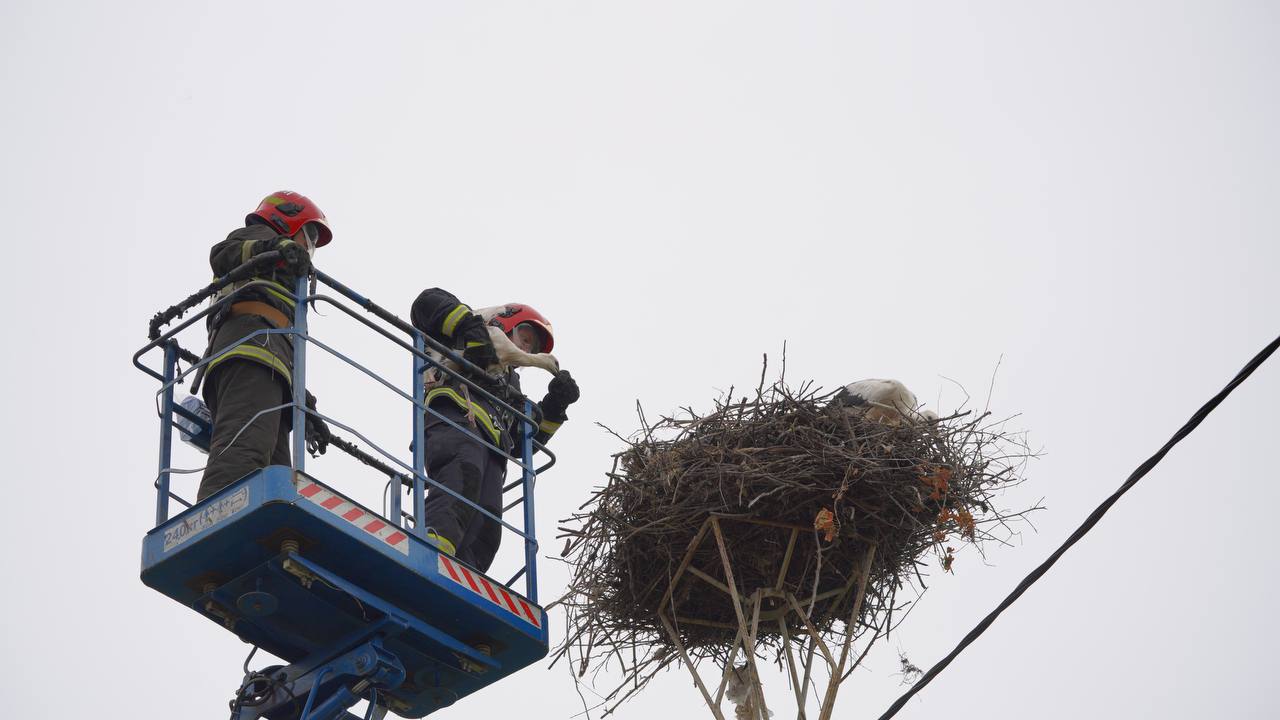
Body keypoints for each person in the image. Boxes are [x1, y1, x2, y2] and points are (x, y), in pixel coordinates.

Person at [410, 289, 580, 571]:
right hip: (456, 423)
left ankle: (468, 577)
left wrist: (554, 407)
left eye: (531, 348)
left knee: (488, 522)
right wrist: (470, 328)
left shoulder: (510, 387)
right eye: (524, 339)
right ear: (506, 326)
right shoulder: (466, 338)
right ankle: (432, 550)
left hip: (494, 454)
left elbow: (524, 443)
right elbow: (425, 304)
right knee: (463, 477)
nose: (526, 350)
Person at [196, 191, 333, 501]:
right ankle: (214, 520)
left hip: (270, 364)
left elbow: (287, 350)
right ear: (287, 218)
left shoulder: (288, 283)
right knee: (245, 450)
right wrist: (275, 246)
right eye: (308, 235)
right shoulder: (261, 236)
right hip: (250, 352)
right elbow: (222, 253)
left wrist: (306, 407)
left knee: (278, 475)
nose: (308, 247)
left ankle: (269, 542)